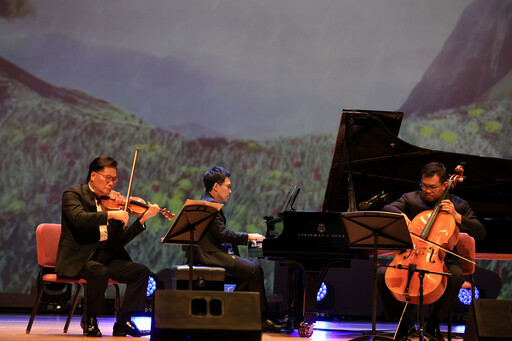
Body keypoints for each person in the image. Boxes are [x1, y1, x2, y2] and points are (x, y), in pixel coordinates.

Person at [377, 162, 486, 341]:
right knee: (382, 275)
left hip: (443, 257)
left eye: (433, 187)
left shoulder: (457, 204)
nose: (427, 191)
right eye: (424, 185)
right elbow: (388, 208)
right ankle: (405, 325)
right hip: (412, 254)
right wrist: (402, 216)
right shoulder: (411, 198)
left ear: (444, 185)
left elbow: (480, 231)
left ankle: (433, 326)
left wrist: (457, 216)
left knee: (456, 276)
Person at [55, 155, 161, 337]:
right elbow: (78, 219)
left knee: (140, 272)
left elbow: (120, 241)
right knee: (99, 272)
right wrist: (110, 216)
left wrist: (141, 220)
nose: (112, 184)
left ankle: (123, 322)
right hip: (80, 258)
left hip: (105, 257)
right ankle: (89, 317)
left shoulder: (113, 203)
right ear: (93, 176)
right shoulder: (73, 195)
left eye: (115, 179)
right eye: (108, 178)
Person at [190, 166, 291, 332]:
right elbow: (223, 234)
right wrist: (249, 237)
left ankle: (237, 315)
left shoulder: (207, 203)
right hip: (209, 255)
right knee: (254, 271)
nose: (230, 190)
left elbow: (218, 235)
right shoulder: (210, 206)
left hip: (211, 252)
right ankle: (261, 319)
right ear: (215, 187)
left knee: (248, 275)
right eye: (228, 186)